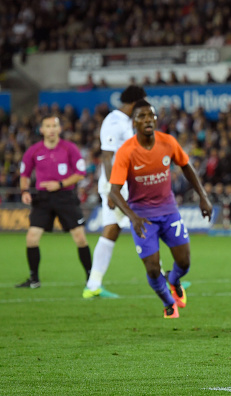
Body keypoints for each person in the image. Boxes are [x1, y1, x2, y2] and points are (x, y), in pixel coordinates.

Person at [108, 100, 213, 318]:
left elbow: (186, 166)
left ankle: (173, 280)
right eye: (142, 116)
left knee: (184, 263)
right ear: (134, 122)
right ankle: (168, 302)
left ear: (156, 119)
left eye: (151, 115)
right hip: (143, 217)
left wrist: (203, 197)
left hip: (169, 212)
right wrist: (133, 217)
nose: (148, 119)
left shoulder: (168, 142)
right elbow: (114, 192)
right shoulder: (126, 151)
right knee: (152, 268)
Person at [83, 85, 146, 299]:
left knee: (111, 230)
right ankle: (166, 279)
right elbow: (107, 156)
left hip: (123, 183)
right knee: (149, 223)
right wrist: (113, 189)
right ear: (134, 102)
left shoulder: (126, 122)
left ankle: (93, 284)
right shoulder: (114, 121)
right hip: (118, 185)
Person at [17, 115, 92, 288]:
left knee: (80, 238)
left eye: (54, 126)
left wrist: (59, 184)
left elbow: (80, 173)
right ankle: (34, 279)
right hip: (42, 199)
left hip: (65, 197)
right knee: (31, 238)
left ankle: (91, 278)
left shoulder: (69, 148)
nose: (51, 129)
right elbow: (24, 174)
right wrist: (25, 191)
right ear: (41, 130)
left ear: (59, 129)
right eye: (47, 126)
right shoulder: (33, 150)